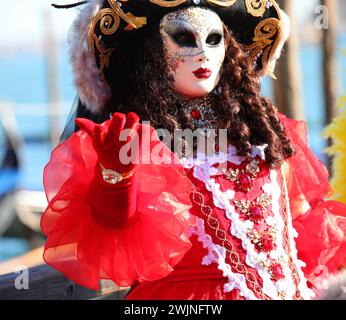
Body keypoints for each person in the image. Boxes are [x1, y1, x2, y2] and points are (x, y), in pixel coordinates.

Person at [41, 0, 346, 300]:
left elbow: (305, 224)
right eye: (184, 39)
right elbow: (116, 234)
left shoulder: (260, 127)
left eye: (214, 39)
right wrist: (116, 174)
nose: (202, 52)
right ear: (153, 52)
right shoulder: (144, 138)